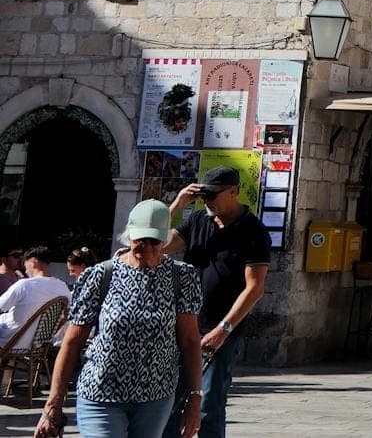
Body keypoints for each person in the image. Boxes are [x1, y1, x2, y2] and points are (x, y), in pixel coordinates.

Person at [35, 200, 203, 438]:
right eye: (139, 240)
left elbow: (189, 340)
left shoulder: (182, 277)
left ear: (165, 241)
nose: (145, 247)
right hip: (100, 392)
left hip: (156, 396)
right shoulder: (100, 275)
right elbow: (72, 342)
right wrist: (53, 404)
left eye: (154, 241)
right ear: (128, 237)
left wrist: (195, 397)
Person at [162, 165, 269, 438]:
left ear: (233, 192)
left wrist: (224, 329)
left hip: (221, 328)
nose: (207, 201)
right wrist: (176, 205)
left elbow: (254, 288)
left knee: (209, 402)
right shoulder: (199, 220)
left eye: (213, 195)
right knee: (169, 400)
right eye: (204, 195)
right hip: (185, 325)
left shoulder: (253, 231)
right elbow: (157, 246)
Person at [0, 246, 71, 338]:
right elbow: (65, 317)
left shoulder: (24, 285)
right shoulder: (63, 287)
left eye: (25, 266)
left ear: (33, 262)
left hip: (10, 342)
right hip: (39, 345)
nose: (25, 270)